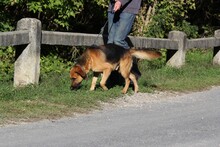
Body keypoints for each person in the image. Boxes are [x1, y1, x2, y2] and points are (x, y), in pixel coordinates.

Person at [107, 0, 142, 87]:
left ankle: (134, 70)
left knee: (118, 40)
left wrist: (120, 1)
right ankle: (112, 78)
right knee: (110, 43)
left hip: (129, 7)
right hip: (113, 6)